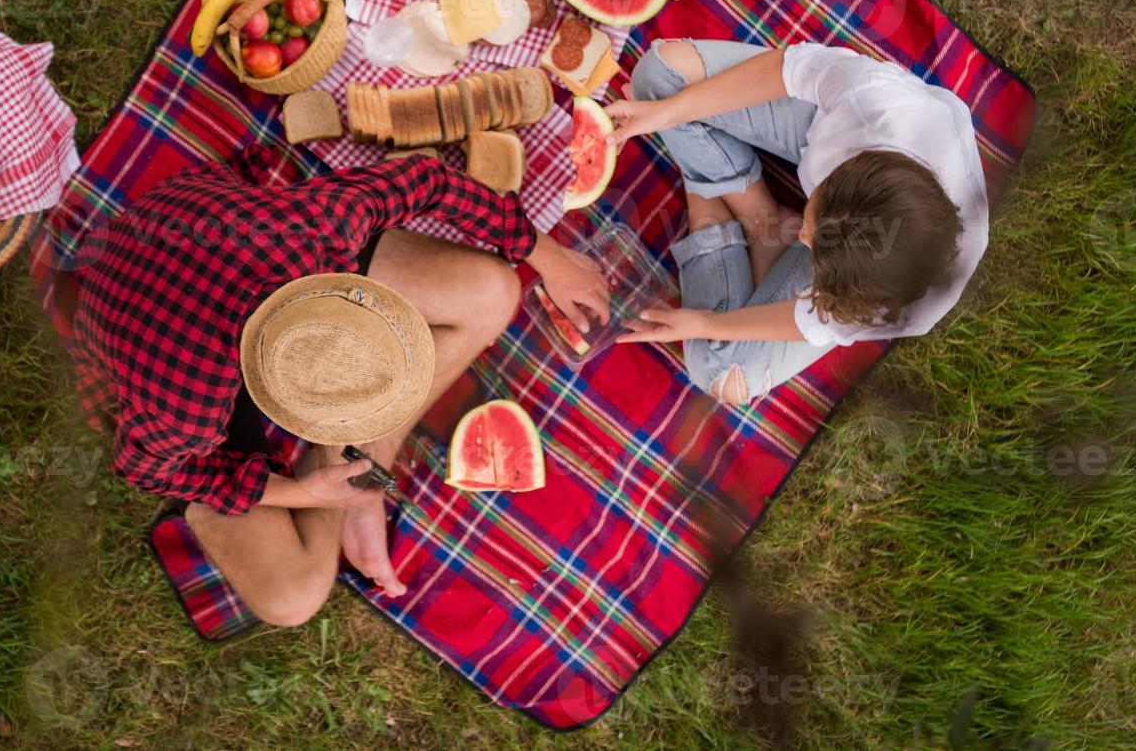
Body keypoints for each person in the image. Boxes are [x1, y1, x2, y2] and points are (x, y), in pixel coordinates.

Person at [67, 147, 607, 626]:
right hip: (161, 338)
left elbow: (428, 179)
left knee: (493, 291)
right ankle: (346, 484)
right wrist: (300, 493)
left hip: (221, 241)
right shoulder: (189, 410)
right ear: (282, 407)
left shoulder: (318, 228)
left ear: (341, 288)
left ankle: (359, 474)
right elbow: (145, 468)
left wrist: (549, 257)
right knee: (291, 599)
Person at [608, 39, 987, 405]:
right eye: (810, 218)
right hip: (823, 126)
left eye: (807, 241)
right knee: (658, 78)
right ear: (850, 164)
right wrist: (670, 112)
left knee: (721, 375)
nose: (802, 236)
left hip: (853, 270)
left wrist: (706, 324)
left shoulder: (893, 302)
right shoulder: (874, 101)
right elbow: (786, 67)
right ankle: (752, 216)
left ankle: (720, 205)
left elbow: (811, 320)